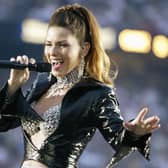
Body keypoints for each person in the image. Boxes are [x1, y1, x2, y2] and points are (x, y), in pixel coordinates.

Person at [0, 3, 160, 168]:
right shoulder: (42, 82)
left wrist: (134, 133)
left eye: (63, 45)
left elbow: (119, 138)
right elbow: (4, 123)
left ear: (84, 49)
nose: (52, 52)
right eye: (49, 44)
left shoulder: (97, 93)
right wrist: (13, 86)